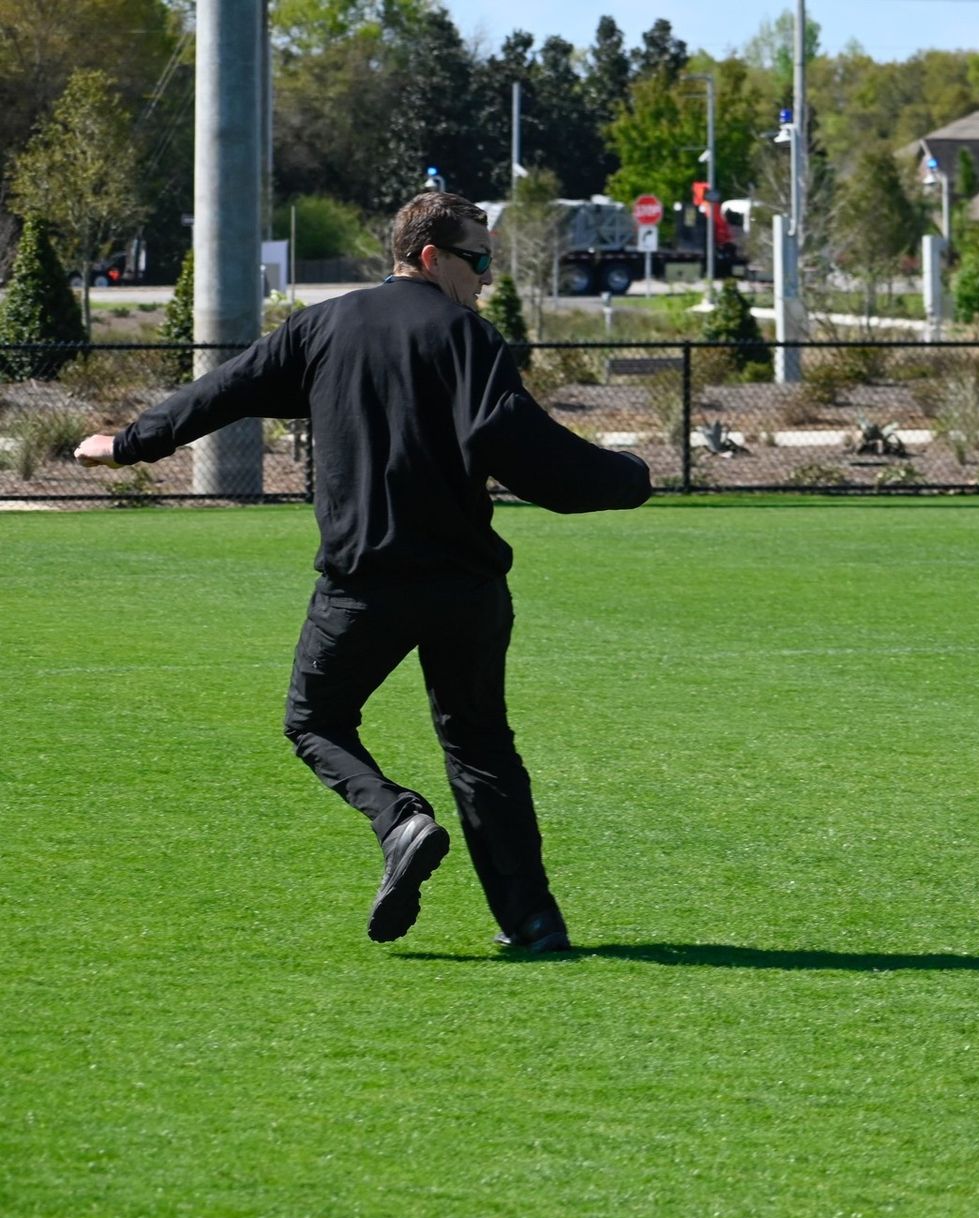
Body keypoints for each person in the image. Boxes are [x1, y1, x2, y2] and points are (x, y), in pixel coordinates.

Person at [75, 191, 652, 954]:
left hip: (363, 585)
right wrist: (624, 477)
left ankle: (399, 819)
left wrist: (129, 444)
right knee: (479, 745)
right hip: (465, 588)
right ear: (428, 257)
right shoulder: (468, 338)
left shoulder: (322, 327)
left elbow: (224, 390)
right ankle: (533, 922)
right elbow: (523, 446)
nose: (484, 276)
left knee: (315, 721)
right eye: (477, 260)